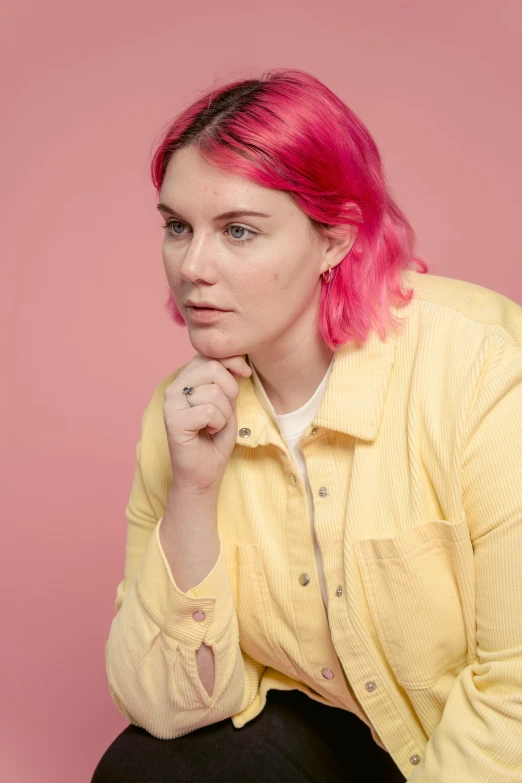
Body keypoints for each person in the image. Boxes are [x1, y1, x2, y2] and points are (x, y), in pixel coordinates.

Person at [91, 68, 522, 782]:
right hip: (358, 742)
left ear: (335, 240)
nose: (192, 266)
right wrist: (193, 491)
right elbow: (162, 707)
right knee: (150, 768)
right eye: (177, 227)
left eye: (238, 230)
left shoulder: (485, 369)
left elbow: (516, 687)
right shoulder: (180, 414)